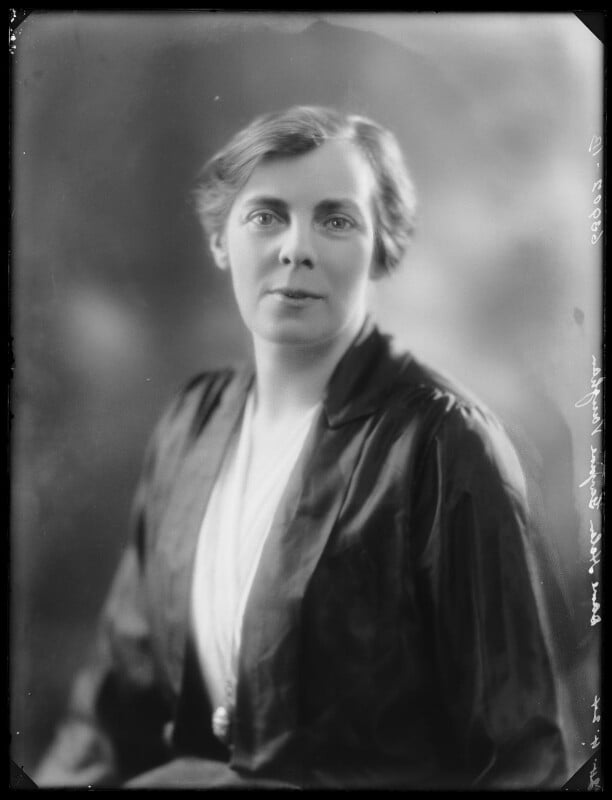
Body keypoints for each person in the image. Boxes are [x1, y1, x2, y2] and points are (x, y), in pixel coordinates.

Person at [34, 105, 568, 789]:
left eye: (336, 220)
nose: (296, 248)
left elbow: (523, 761)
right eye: (266, 216)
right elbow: (110, 714)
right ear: (220, 240)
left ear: (382, 248)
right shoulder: (191, 423)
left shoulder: (443, 444)